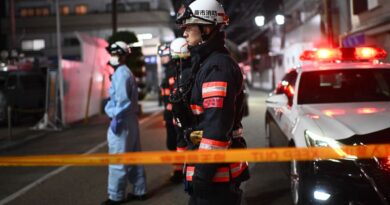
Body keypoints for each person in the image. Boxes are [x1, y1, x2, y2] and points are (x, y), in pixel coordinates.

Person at [176, 0, 250, 204]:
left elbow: (217, 130)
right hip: (211, 175)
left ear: (207, 28)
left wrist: (203, 174)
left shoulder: (218, 67)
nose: (184, 34)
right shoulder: (206, 63)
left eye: (189, 27)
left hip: (217, 178)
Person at [102, 41, 147, 205]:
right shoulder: (126, 72)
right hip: (130, 120)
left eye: (115, 54)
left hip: (121, 120)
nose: (113, 57)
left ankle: (116, 196)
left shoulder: (120, 73)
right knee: (134, 157)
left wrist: (111, 113)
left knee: (118, 160)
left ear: (122, 55)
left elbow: (122, 102)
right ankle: (140, 190)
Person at [169, 37, 193, 183]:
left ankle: (184, 170)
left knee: (184, 144)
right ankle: (182, 170)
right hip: (180, 119)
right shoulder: (183, 72)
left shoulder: (186, 73)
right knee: (181, 144)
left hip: (186, 121)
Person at [158, 43, 181, 182]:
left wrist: (172, 115)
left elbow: (175, 96)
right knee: (172, 143)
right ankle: (178, 169)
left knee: (175, 143)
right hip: (170, 114)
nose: (162, 59)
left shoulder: (173, 71)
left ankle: (179, 171)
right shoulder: (169, 71)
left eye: (164, 56)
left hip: (174, 114)